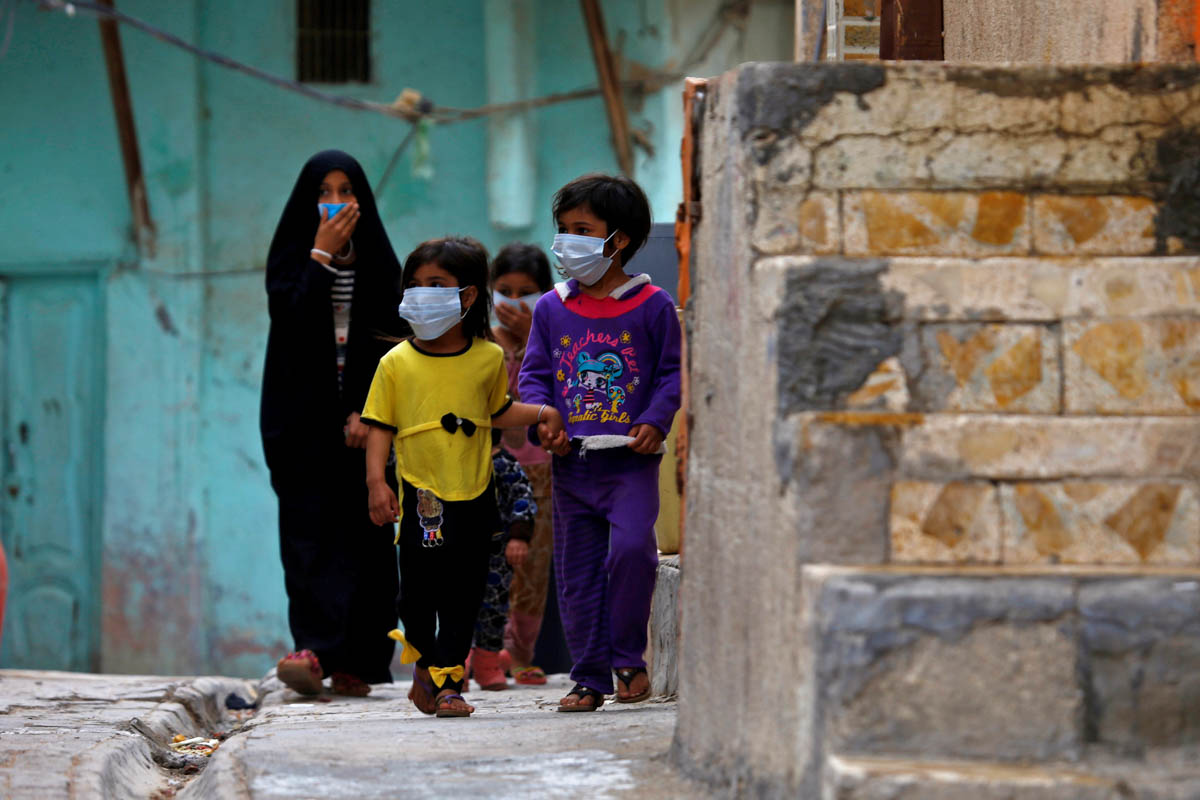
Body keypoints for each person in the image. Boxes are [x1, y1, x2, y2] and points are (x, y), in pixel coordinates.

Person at [362, 236, 566, 718]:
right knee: (416, 597)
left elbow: (498, 411)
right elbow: (378, 426)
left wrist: (542, 412)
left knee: (463, 595)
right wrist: (376, 482)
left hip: (476, 497)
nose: (421, 293)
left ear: (468, 296)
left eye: (437, 284)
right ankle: (423, 663)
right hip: (422, 500)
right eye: (414, 284)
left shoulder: (487, 358)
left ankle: (450, 682)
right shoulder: (395, 364)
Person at [519, 174, 681, 712]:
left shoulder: (653, 305)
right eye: (563, 230)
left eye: (582, 230)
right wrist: (545, 420)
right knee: (577, 573)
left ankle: (628, 658)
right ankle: (589, 677)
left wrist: (656, 420)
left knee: (634, 553)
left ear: (621, 239)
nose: (567, 241)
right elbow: (535, 378)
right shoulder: (550, 308)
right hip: (573, 466)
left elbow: (672, 373)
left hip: (631, 464)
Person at [260, 150, 406, 697]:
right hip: (301, 428)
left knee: (368, 539)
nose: (338, 202)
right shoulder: (292, 261)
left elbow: (395, 346)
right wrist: (319, 256)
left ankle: (363, 661)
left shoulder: (380, 266)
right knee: (309, 537)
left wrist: (372, 415)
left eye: (348, 191)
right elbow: (293, 323)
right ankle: (314, 652)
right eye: (326, 191)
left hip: (368, 428)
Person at [489, 244, 556, 686]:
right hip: (492, 468)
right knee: (493, 560)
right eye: (505, 291)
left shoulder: (551, 338)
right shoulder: (482, 346)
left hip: (543, 469)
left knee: (533, 564)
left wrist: (537, 334)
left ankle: (520, 651)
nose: (515, 300)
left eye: (526, 292)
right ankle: (485, 649)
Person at [467, 430, 537, 691]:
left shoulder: (505, 464)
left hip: (497, 555)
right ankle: (453, 666)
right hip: (460, 552)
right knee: (455, 607)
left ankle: (487, 664)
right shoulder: (457, 465)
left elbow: (523, 499)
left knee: (493, 611)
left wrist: (519, 536)